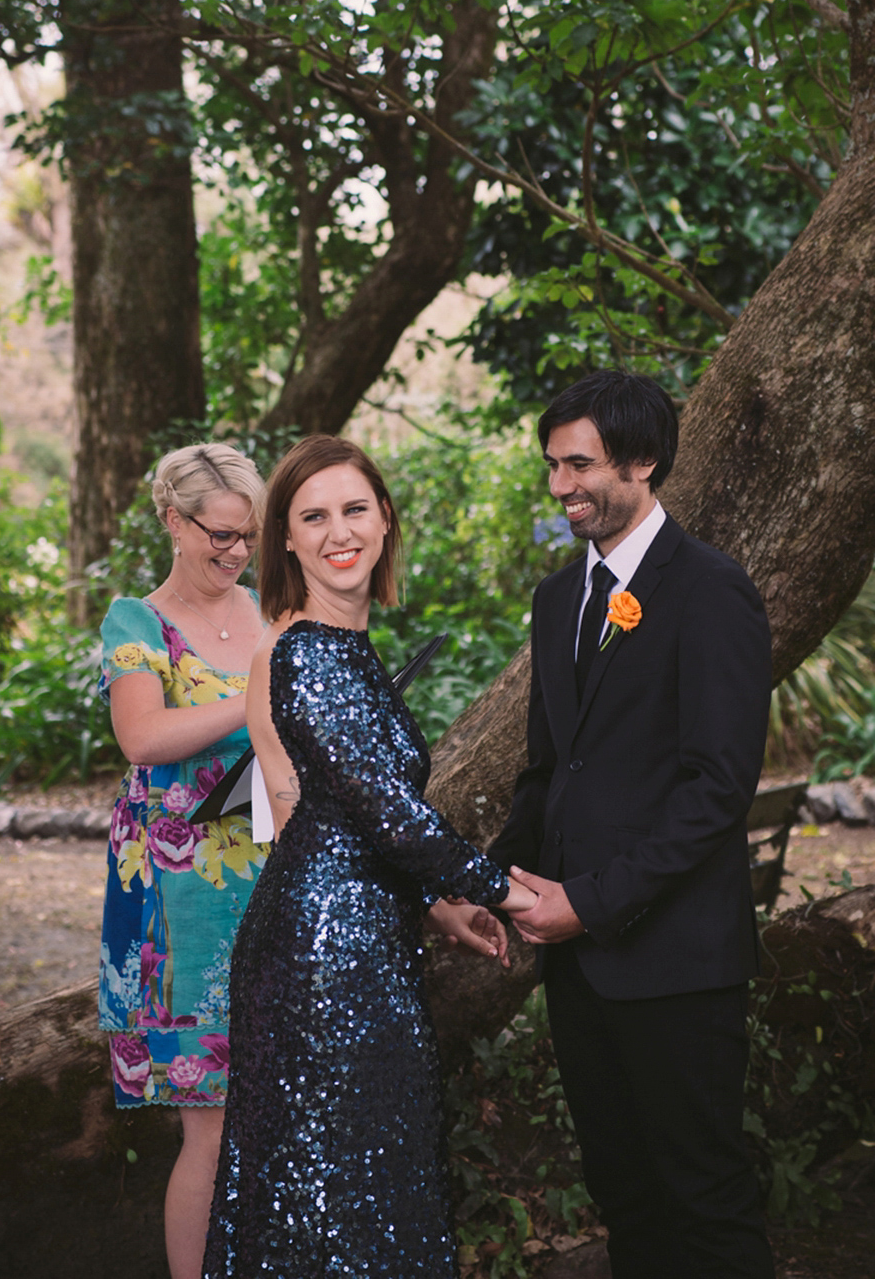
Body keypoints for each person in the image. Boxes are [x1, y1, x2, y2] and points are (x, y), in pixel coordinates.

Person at [202, 434, 536, 1279]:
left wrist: (437, 902)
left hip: (356, 945)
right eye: (313, 516)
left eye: (355, 509)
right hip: (324, 964)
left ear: (385, 519)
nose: (337, 530)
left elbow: (337, 815)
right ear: (284, 537)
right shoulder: (308, 651)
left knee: (362, 1192)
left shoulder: (344, 647)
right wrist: (509, 892)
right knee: (337, 1201)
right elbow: (387, 812)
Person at [489, 371, 775, 1278]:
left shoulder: (711, 590)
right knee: (625, 1195)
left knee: (705, 1197)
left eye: (581, 464)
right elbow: (548, 773)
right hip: (580, 970)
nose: (560, 485)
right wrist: (484, 885)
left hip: (677, 960)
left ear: (644, 461)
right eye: (552, 465)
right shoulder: (556, 599)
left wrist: (591, 903)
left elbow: (717, 788)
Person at [98, 443, 270, 1279]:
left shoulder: (273, 613)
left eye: (249, 537)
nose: (236, 552)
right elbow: (143, 736)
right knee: (210, 1117)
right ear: (173, 521)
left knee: (276, 1102)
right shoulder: (137, 620)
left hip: (273, 874)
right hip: (182, 896)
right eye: (220, 534)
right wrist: (258, 697)